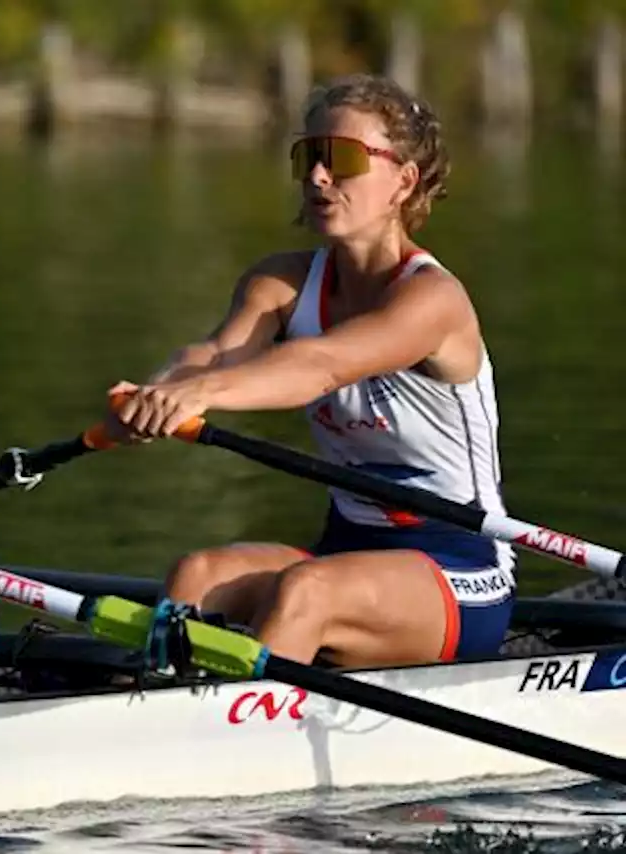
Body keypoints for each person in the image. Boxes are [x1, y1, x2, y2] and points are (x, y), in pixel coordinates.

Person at [107, 73, 514, 669]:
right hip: (345, 548)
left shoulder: (433, 302)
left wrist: (201, 394)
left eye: (343, 159)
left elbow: (320, 366)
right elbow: (217, 355)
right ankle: (154, 713)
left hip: (459, 570)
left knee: (307, 592)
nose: (320, 177)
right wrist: (158, 392)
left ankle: (233, 736)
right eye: (309, 156)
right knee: (197, 574)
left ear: (403, 181)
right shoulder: (282, 282)